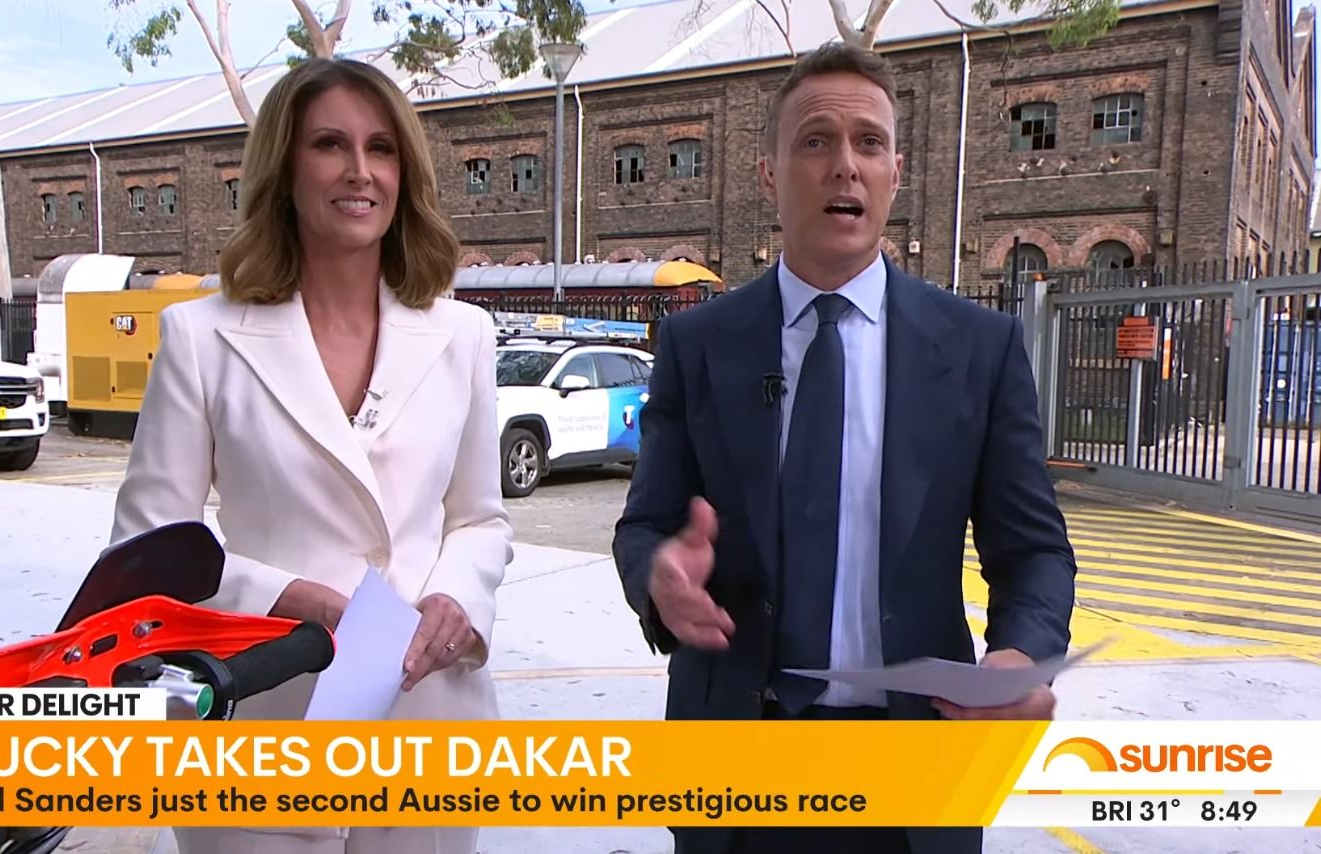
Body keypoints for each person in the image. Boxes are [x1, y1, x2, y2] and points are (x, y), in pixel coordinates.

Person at [611, 42, 1077, 854]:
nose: (845, 166)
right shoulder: (697, 344)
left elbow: (1033, 551)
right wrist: (658, 577)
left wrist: (1020, 654)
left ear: (895, 173)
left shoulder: (980, 348)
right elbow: (645, 524)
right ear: (768, 174)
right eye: (816, 141)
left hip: (915, 771)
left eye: (869, 143)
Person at [108, 57, 514, 854]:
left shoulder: (464, 334)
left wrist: (457, 600)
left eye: (381, 148)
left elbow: (479, 520)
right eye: (330, 144)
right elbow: (147, 547)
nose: (361, 170)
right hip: (260, 720)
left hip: (425, 723)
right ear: (284, 171)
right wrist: (285, 596)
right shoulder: (200, 337)